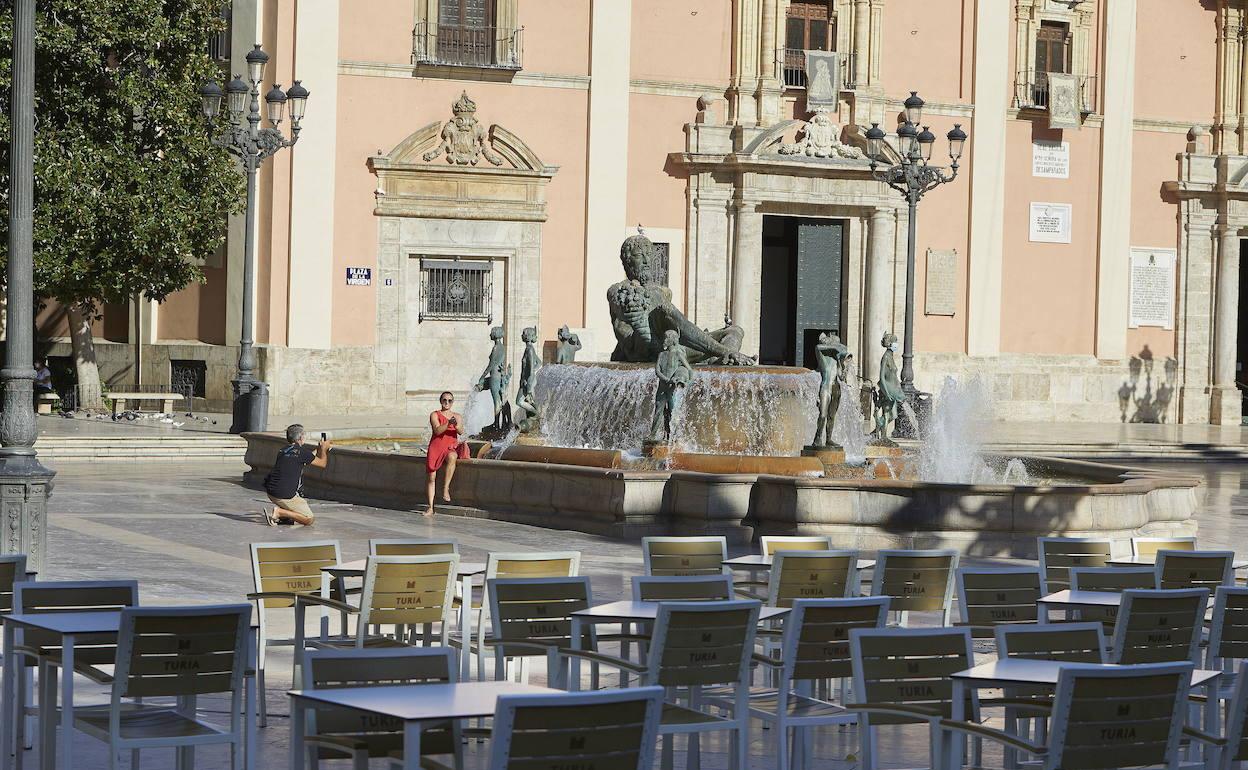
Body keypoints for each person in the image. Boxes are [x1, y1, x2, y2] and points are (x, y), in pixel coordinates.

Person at [263, 424, 330, 526]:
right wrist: (324, 449)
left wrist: (319, 449)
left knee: (296, 503)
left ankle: (284, 516)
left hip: (272, 491)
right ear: (301, 437)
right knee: (309, 519)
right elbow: (322, 463)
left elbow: (304, 458)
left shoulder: (283, 450)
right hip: (284, 494)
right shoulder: (302, 453)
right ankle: (280, 512)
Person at [426, 391, 470, 516]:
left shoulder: (457, 416)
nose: (447, 402)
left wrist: (455, 425)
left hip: (449, 446)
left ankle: (446, 488)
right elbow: (437, 430)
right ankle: (430, 507)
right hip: (436, 446)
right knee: (431, 477)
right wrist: (448, 424)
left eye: (450, 400)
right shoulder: (435, 414)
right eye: (444, 400)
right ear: (441, 401)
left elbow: (461, 431)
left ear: (452, 402)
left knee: (453, 456)